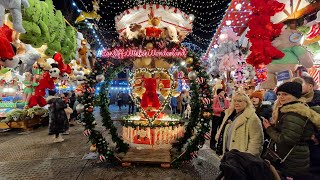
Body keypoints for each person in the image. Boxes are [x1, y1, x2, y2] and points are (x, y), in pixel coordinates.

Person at [262, 82, 320, 179]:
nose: (281, 97)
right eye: (279, 94)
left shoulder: (294, 114)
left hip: (292, 160)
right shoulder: (291, 111)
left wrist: (269, 128)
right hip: (294, 158)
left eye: (285, 94)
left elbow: (286, 140)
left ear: (295, 95)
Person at [215, 91, 264, 157]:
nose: (236, 103)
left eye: (240, 101)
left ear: (246, 103)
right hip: (227, 152)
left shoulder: (252, 118)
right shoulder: (230, 114)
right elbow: (222, 127)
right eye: (235, 101)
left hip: (240, 158)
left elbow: (256, 141)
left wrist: (248, 157)